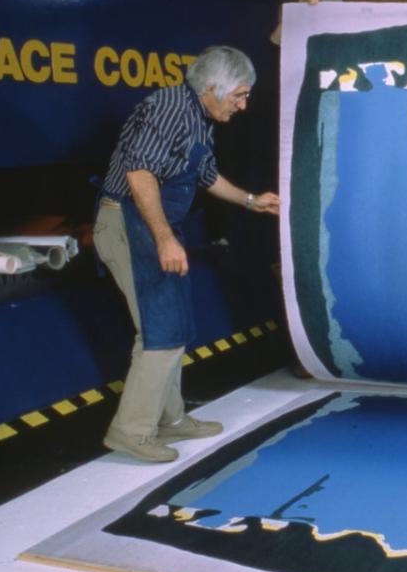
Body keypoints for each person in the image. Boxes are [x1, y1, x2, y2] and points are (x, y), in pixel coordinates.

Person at [94, 46, 280, 463]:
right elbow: (139, 175)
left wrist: (253, 201)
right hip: (130, 223)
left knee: (174, 325)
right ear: (213, 88)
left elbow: (206, 176)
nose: (244, 105)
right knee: (160, 329)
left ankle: (171, 419)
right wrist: (163, 238)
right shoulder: (169, 106)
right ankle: (130, 431)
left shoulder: (199, 118)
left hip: (154, 224)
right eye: (240, 95)